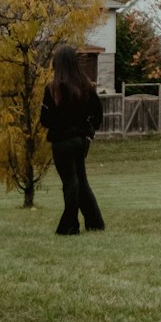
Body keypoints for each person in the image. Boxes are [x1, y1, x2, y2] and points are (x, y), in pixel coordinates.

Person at [40, 43, 105, 235]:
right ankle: (95, 222)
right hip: (80, 140)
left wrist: (59, 125)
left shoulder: (53, 89)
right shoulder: (85, 87)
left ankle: (70, 225)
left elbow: (45, 120)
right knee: (81, 181)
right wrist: (88, 131)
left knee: (70, 182)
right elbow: (97, 113)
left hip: (61, 142)